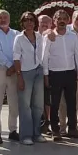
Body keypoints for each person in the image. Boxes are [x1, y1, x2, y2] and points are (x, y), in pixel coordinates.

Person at [44, 10, 78, 141]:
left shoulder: (73, 36)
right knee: (54, 104)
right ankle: (55, 130)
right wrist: (45, 75)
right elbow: (44, 57)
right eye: (58, 18)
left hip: (70, 73)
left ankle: (72, 128)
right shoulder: (49, 37)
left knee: (72, 103)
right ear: (54, 21)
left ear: (68, 21)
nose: (61, 21)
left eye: (64, 18)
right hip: (54, 74)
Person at [0, 9, 20, 144]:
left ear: (9, 19)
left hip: (14, 71)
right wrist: (9, 65)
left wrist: (13, 68)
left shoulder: (16, 33)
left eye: (5, 17)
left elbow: (18, 51)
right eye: (0, 18)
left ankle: (13, 130)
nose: (3, 20)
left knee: (14, 102)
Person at [14, 12, 47, 145]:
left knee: (38, 105)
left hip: (38, 70)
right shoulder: (19, 38)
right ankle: (25, 135)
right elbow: (16, 58)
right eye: (26, 20)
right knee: (25, 105)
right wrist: (19, 77)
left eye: (31, 20)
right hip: (25, 72)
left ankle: (36, 133)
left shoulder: (39, 36)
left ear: (35, 22)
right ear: (22, 23)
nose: (29, 22)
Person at [60, 10, 78, 133]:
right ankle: (62, 127)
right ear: (72, 19)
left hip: (77, 73)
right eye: (77, 19)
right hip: (63, 71)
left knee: (75, 101)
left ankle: (73, 124)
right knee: (62, 102)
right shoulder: (63, 31)